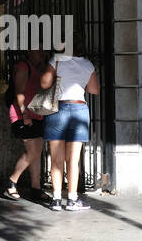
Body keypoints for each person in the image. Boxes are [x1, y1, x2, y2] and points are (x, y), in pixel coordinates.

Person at [41, 32, 100, 212]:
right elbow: (94, 90)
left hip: (57, 109)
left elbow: (44, 84)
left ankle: (57, 199)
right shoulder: (87, 64)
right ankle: (72, 199)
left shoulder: (56, 61)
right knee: (73, 160)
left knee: (56, 158)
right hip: (78, 109)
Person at [3, 48, 48, 201]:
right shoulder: (23, 66)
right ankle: (12, 181)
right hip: (24, 114)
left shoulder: (38, 67)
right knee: (32, 151)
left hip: (37, 115)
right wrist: (25, 114)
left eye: (43, 51)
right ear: (29, 52)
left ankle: (36, 188)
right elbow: (19, 92)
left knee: (37, 152)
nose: (41, 53)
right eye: (38, 51)